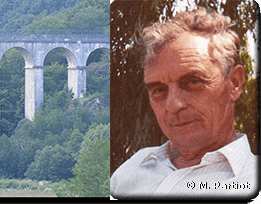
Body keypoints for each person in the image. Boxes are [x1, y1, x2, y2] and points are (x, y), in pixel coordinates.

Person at [110, 8, 258, 198]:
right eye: (159, 90)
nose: (173, 105)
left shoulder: (249, 182)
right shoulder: (131, 169)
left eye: (193, 82)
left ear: (235, 83)